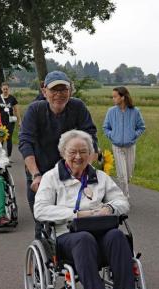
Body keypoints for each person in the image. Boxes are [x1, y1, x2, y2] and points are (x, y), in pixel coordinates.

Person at [34, 130, 144, 289]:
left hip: (101, 232)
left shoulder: (100, 177)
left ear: (91, 154)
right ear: (63, 153)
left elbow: (123, 202)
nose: (78, 157)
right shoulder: (51, 178)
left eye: (83, 151)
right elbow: (40, 210)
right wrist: (75, 214)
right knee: (84, 239)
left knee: (117, 236)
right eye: (73, 152)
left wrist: (109, 208)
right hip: (68, 236)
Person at [18, 70, 98, 238]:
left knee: (77, 217)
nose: (59, 95)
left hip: (71, 174)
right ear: (44, 91)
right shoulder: (35, 110)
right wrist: (36, 174)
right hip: (41, 171)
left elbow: (90, 139)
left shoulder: (78, 107)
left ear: (70, 91)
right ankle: (42, 259)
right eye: (54, 90)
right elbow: (26, 142)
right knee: (43, 223)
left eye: (63, 90)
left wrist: (87, 170)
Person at [103, 86, 145, 197]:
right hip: (116, 146)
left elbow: (141, 127)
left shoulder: (135, 112)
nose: (113, 99)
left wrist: (133, 136)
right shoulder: (111, 111)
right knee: (122, 175)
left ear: (122, 97)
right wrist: (112, 135)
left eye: (115, 96)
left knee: (128, 174)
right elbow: (105, 127)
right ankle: (124, 197)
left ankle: (122, 194)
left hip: (130, 146)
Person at [0, 82, 21, 160]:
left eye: (7, 89)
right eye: (4, 89)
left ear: (8, 89)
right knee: (1, 138)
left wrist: (20, 121)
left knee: (9, 138)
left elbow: (16, 110)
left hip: (10, 121)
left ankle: (8, 156)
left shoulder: (12, 98)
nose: (5, 90)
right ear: (1, 89)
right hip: (1, 121)